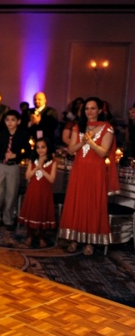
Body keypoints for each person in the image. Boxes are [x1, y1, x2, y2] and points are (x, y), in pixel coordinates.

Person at [58, 97, 119, 256]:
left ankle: (90, 242)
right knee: (77, 202)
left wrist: (90, 142)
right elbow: (71, 150)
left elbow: (103, 152)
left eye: (93, 108)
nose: (89, 111)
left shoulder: (107, 128)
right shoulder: (79, 127)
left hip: (95, 171)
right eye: (87, 109)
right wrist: (82, 141)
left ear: (100, 110)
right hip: (79, 169)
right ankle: (74, 239)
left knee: (92, 203)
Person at [0, 110, 30, 231]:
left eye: (13, 120)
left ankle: (8, 219)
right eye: (7, 120)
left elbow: (28, 151)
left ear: (18, 121)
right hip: (1, 166)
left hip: (14, 167)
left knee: (11, 194)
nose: (10, 123)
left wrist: (16, 156)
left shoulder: (22, 135)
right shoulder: (1, 134)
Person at [18, 138, 57, 247]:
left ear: (48, 148)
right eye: (38, 147)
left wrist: (42, 169)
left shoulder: (52, 162)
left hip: (45, 192)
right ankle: (29, 235)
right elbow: (27, 176)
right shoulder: (32, 160)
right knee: (32, 211)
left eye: (43, 147)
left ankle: (41, 236)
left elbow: (52, 179)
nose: (40, 150)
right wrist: (36, 168)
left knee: (42, 212)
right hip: (33, 190)